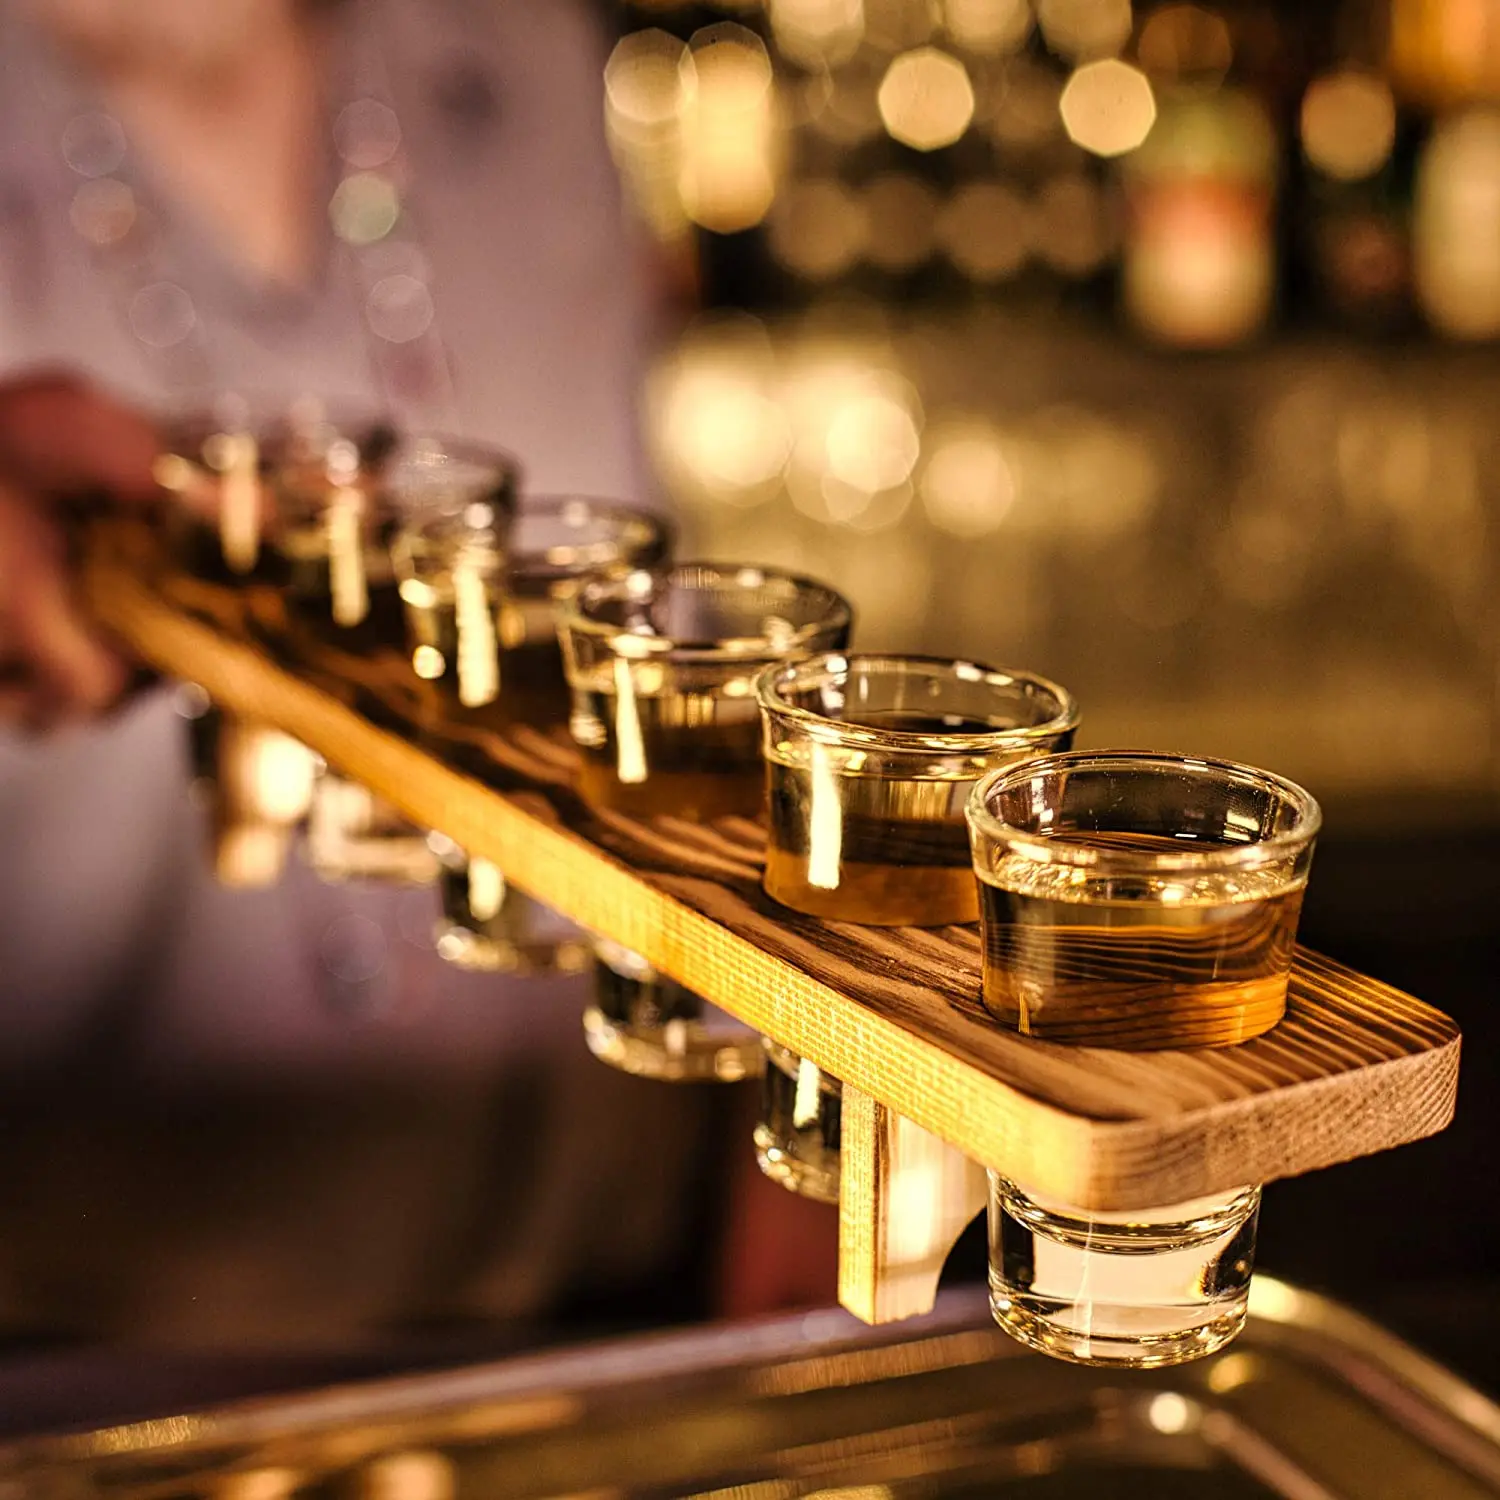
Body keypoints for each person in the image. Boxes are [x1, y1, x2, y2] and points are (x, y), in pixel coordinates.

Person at [0, 0, 836, 1368]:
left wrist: (785, 1097)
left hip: (598, 1293)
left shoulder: (518, 44)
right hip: (80, 1356)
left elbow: (645, 633)